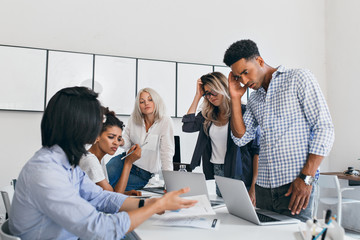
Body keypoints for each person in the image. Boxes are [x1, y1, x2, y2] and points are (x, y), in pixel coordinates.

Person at [8, 86, 197, 239]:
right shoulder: (46, 172)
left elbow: (101, 198)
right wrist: (155, 207)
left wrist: (151, 202)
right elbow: (98, 228)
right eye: (98, 120)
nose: (100, 124)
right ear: (79, 123)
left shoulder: (67, 163)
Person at [223, 39, 335, 221]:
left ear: (259, 61)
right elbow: (241, 138)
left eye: (245, 72)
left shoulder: (298, 78)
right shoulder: (254, 99)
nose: (243, 80)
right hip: (263, 190)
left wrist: (306, 178)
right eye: (238, 76)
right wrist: (235, 98)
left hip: (295, 186)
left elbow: (324, 128)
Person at [182, 72, 260, 204]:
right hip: (216, 170)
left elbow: (256, 150)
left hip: (239, 169)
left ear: (223, 88)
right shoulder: (208, 115)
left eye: (213, 92)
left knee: (240, 210)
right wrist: (197, 95)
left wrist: (254, 186)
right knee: (224, 210)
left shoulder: (243, 112)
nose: (210, 97)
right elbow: (188, 126)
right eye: (207, 93)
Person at [107, 87, 174, 191]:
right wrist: (121, 141)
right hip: (124, 160)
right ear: (139, 105)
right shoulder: (133, 118)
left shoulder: (165, 121)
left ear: (157, 101)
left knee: (115, 190)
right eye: (142, 101)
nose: (146, 103)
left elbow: (167, 153)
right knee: (101, 182)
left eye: (150, 100)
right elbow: (127, 141)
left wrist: (170, 184)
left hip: (142, 174)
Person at [79, 107, 141, 196]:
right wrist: (128, 163)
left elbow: (105, 194)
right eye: (111, 137)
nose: (116, 143)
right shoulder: (90, 160)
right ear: (97, 136)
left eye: (119, 139)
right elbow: (112, 199)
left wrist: (126, 193)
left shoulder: (98, 159)